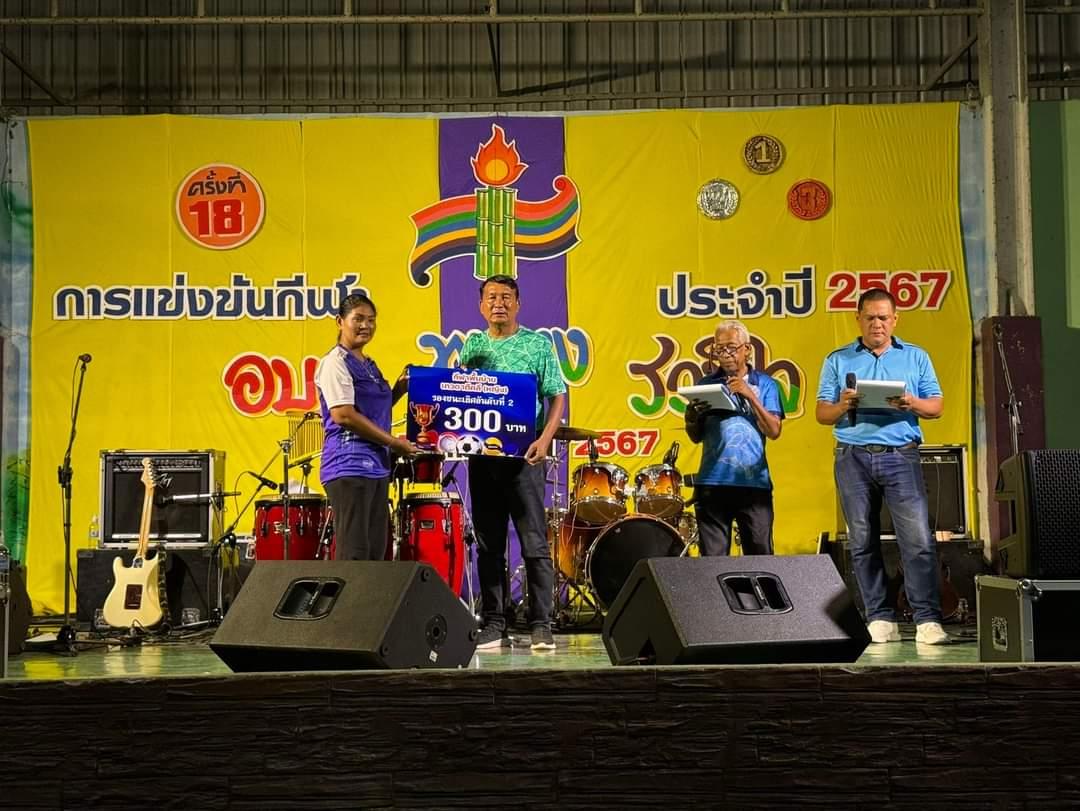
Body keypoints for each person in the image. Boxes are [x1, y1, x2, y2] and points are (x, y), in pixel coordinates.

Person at [815, 288, 948, 646]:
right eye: (870, 317)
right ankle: (879, 617)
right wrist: (843, 405)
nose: (877, 324)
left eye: (884, 317)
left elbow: (936, 406)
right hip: (852, 457)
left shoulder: (916, 357)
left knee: (917, 540)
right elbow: (822, 413)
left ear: (895, 320)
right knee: (861, 541)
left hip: (901, 455)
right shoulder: (838, 359)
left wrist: (911, 402)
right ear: (858, 319)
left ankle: (927, 619)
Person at [458, 275, 567, 652]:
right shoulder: (472, 344)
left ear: (518, 303)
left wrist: (544, 439)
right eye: (491, 297)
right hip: (483, 459)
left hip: (524, 458)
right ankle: (494, 623)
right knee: (488, 545)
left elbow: (557, 396)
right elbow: (459, 393)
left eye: (506, 297)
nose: (498, 303)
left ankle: (541, 624)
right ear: (481, 305)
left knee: (534, 543)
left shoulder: (537, 344)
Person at [315, 294, 418, 561]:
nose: (366, 326)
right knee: (355, 555)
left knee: (375, 553)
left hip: (377, 468)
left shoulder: (369, 364)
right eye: (358, 319)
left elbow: (373, 412)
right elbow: (344, 415)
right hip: (348, 466)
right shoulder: (334, 363)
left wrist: (399, 390)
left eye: (371, 320)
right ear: (340, 321)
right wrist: (394, 443)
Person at [684, 319, 784, 556]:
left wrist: (750, 395)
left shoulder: (765, 384)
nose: (725, 354)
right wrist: (691, 419)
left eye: (731, 347)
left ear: (747, 349)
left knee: (760, 557)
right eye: (719, 349)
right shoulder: (706, 385)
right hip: (712, 482)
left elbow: (774, 430)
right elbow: (696, 437)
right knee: (713, 561)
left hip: (753, 483)